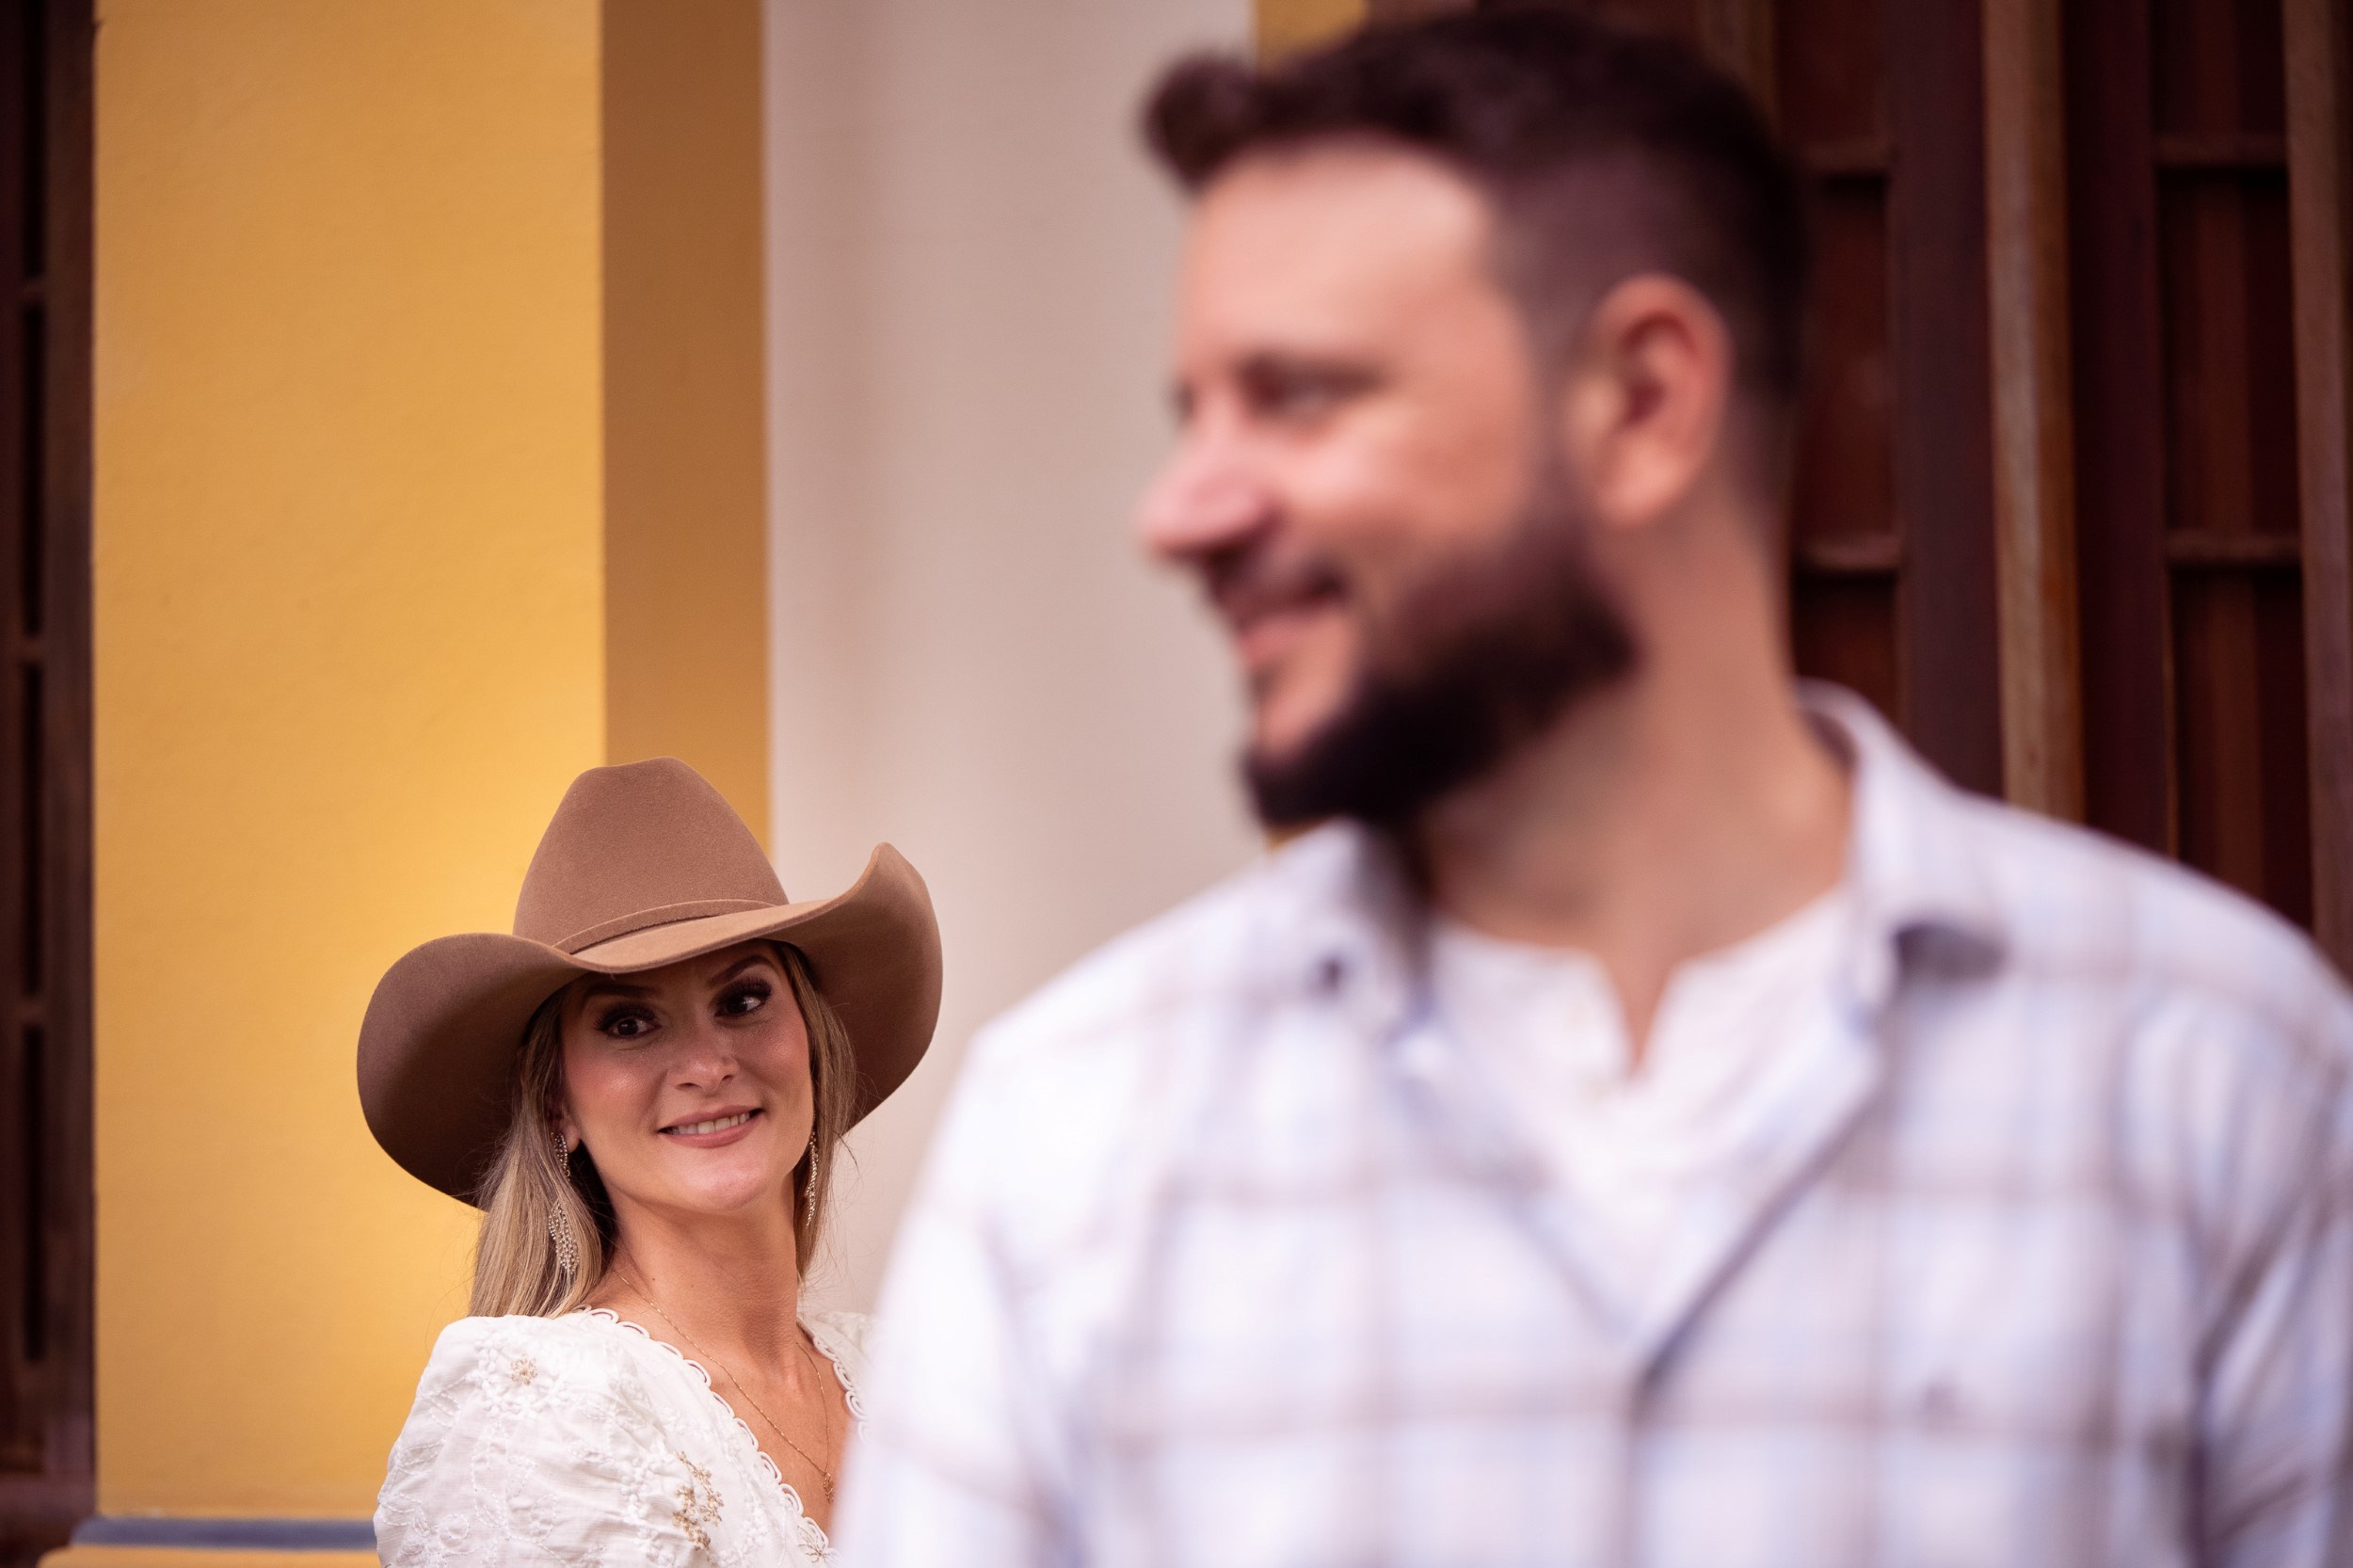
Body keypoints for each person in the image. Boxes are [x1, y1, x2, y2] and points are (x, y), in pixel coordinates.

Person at [836, 11, 2353, 1568]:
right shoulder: (1077, 1137)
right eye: (1191, 416)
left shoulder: (2220, 1082)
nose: (1181, 512)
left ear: (1641, 404)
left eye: (1297, 398)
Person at [361, 757, 939, 1564]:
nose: (706, 1065)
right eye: (629, 1024)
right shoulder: (539, 1416)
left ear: (811, 1042)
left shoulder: (913, 1377)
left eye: (743, 1001)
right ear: (559, 1104)